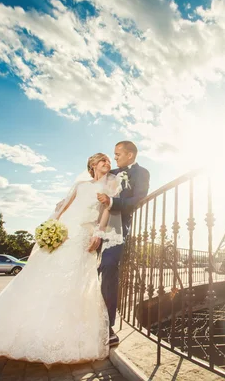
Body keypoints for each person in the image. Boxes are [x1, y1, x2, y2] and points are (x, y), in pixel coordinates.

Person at [0, 153, 123, 365]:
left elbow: (106, 210)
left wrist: (99, 232)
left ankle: (66, 339)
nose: (107, 163)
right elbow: (63, 208)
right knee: (43, 277)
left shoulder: (112, 184)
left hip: (84, 234)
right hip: (64, 231)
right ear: (93, 164)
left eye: (108, 161)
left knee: (74, 281)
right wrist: (51, 226)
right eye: (102, 160)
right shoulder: (80, 185)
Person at [97, 141, 150, 346]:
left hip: (117, 227)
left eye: (118, 154)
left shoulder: (142, 173)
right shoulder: (109, 171)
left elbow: (137, 199)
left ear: (130, 155)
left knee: (109, 268)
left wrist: (111, 203)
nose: (115, 157)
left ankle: (107, 325)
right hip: (94, 223)